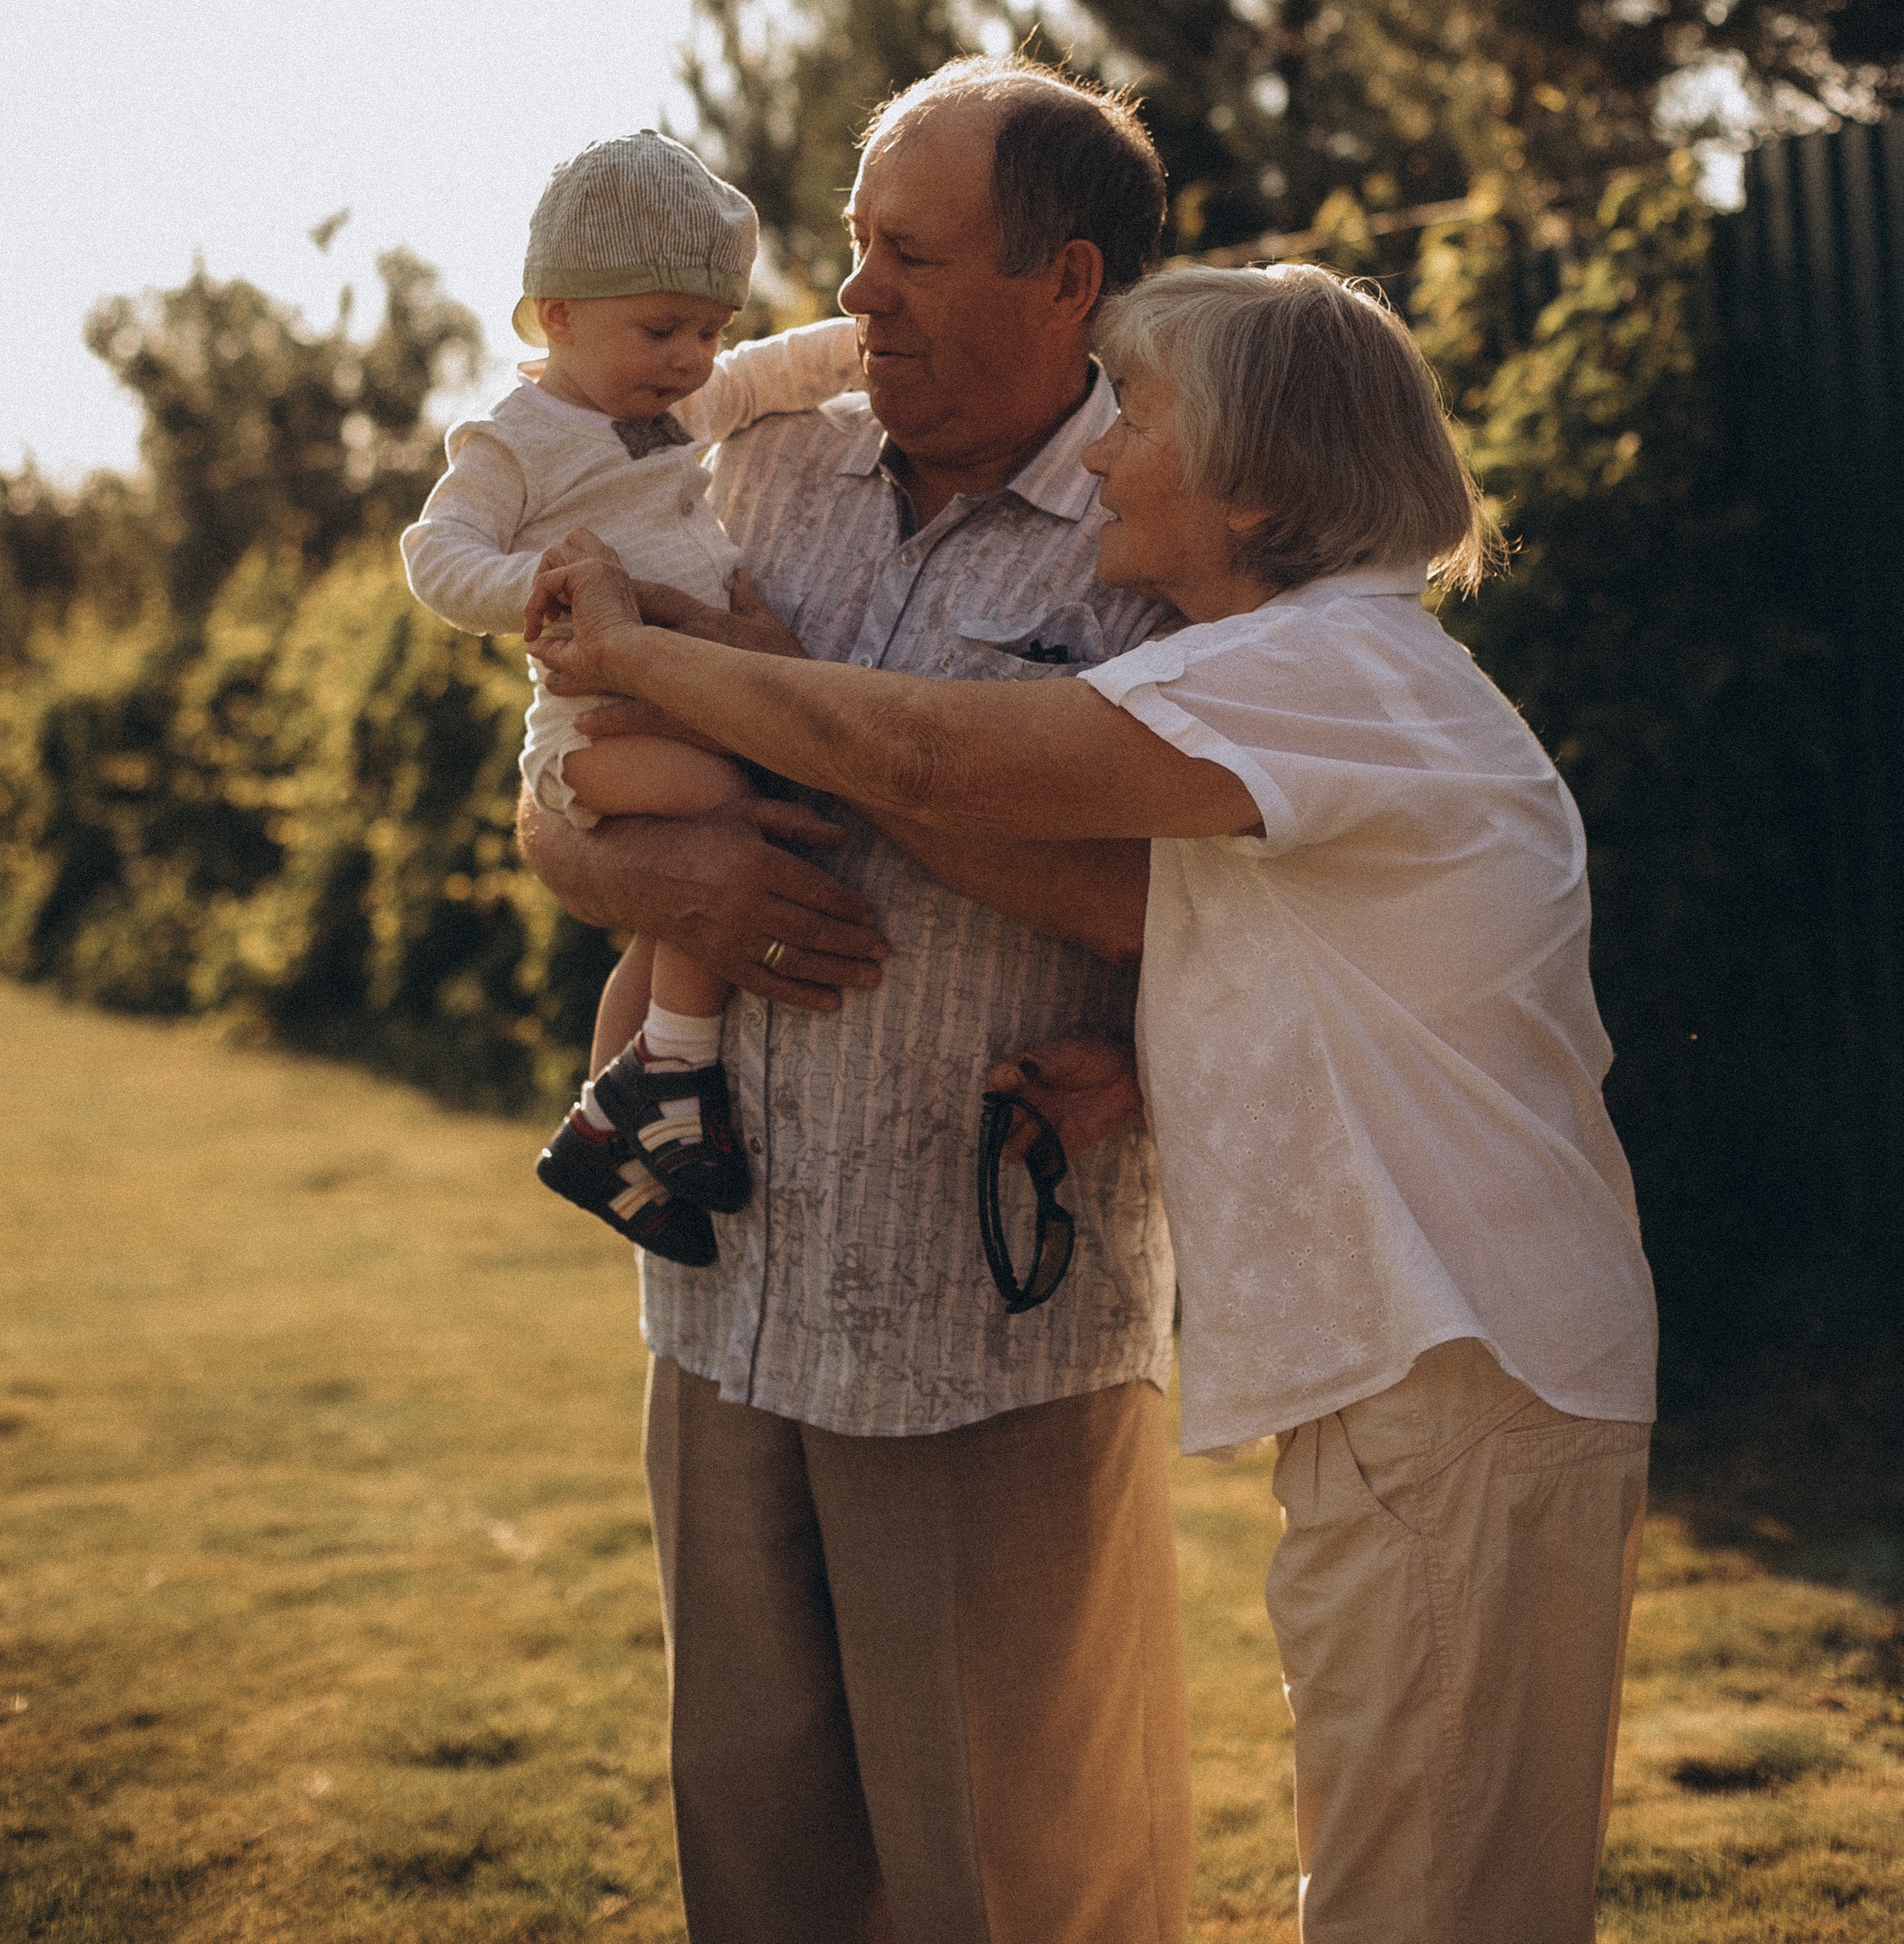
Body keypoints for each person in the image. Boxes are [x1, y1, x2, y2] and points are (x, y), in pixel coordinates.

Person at [528, 260, 1659, 1944]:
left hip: (1451, 1372)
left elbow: (934, 765)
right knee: (1411, 1879)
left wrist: (639, 656)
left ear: (1259, 481)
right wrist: (1155, 1064)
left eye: (1142, 416)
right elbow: (1261, 938)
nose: (1107, 454)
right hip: (1435, 1376)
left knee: (1422, 1907)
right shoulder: (1319, 675)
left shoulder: (1319, 665)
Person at [516, 61, 1196, 1944]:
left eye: (905, 255)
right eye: (850, 248)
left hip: (980, 1324)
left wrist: (847, 765)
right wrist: (662, 876)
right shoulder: (739, 463)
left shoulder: (1171, 523)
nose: (855, 296)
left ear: (1065, 283)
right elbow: (550, 792)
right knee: (760, 1868)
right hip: (718, 1294)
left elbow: (1193, 893)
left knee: (1015, 1880)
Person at [402, 129, 863, 1261]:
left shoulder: (679, 405)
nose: (692, 359)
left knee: (667, 916)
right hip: (589, 729)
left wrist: (864, 342)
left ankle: (608, 1128)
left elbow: (771, 375)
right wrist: (546, 582)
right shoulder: (515, 439)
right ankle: (674, 1072)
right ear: (557, 314)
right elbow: (436, 557)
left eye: (708, 330)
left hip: (678, 699)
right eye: (660, 330)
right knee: (719, 808)